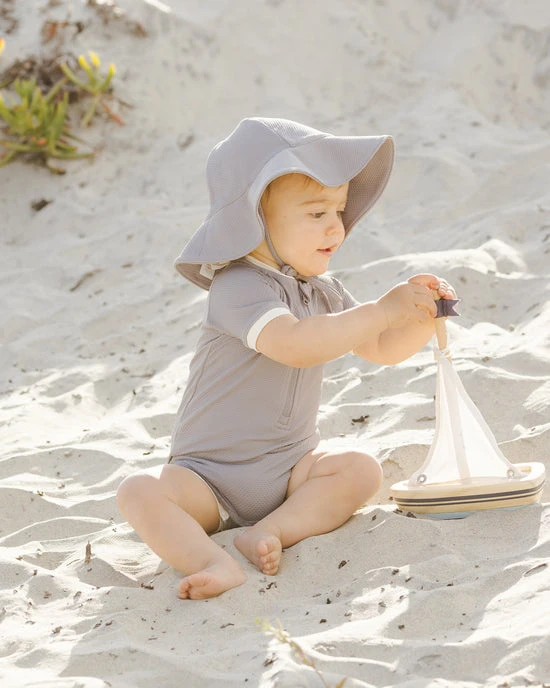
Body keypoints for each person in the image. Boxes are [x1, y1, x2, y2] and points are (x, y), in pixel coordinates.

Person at [116, 117, 457, 600]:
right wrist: (381, 310)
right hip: (208, 478)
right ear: (255, 218)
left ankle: (271, 529)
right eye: (317, 213)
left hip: (291, 470)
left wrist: (419, 316)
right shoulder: (237, 286)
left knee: (361, 469)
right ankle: (212, 560)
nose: (336, 226)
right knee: (138, 491)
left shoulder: (323, 291)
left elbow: (381, 347)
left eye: (339, 210)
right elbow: (294, 344)